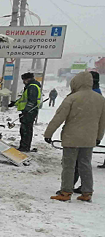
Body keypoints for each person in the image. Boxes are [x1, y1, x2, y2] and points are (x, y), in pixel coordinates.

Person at [45, 71, 105, 202]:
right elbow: (102, 121)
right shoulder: (100, 99)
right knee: (85, 165)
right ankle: (87, 192)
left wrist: (48, 133)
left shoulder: (72, 98)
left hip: (71, 137)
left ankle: (65, 192)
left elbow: (58, 117)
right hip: (89, 138)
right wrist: (99, 137)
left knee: (69, 166)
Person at [8, 72, 41, 152]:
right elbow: (23, 99)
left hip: (29, 112)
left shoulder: (32, 87)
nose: (23, 82)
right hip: (29, 111)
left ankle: (25, 147)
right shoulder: (30, 86)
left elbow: (32, 101)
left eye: (24, 80)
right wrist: (14, 103)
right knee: (25, 129)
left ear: (28, 79)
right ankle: (24, 146)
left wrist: (27, 110)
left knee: (26, 130)